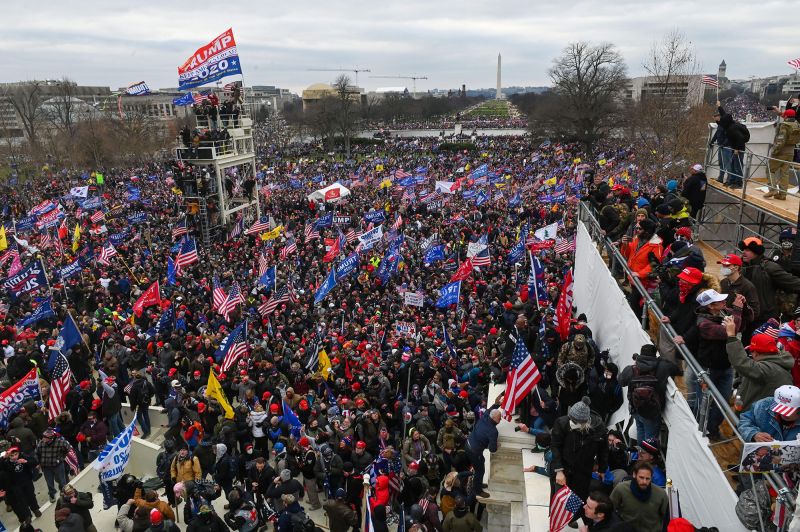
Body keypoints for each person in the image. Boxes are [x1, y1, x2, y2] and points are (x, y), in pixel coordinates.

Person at [692, 289, 744, 438]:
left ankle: (712, 429)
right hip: (708, 369)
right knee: (703, 402)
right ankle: (699, 430)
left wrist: (740, 306)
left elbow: (741, 320)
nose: (724, 302)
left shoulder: (721, 312)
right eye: (720, 301)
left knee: (724, 400)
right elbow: (730, 331)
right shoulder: (704, 324)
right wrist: (738, 310)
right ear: (711, 306)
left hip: (725, 367)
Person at [724, 316, 793, 411]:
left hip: (759, 417)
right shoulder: (778, 361)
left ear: (756, 353)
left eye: (751, 351)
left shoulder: (768, 369)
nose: (750, 355)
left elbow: (741, 362)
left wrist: (731, 336)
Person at [550, 397, 608, 503]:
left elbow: (603, 449)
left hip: (583, 471)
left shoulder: (599, 428)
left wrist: (602, 469)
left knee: (577, 501)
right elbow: (555, 446)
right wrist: (559, 470)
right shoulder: (562, 423)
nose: (573, 424)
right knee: (559, 502)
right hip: (564, 467)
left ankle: (574, 519)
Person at [618, 345, 680, 443]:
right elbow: (678, 370)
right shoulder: (663, 366)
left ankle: (641, 455)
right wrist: (662, 361)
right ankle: (647, 456)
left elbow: (621, 381)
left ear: (641, 353)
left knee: (640, 434)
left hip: (636, 408)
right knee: (650, 444)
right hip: (652, 411)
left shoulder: (632, 368)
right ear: (655, 354)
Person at [740, 237, 800, 326]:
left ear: (757, 251)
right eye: (743, 249)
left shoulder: (769, 267)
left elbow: (793, 282)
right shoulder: (740, 267)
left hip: (766, 319)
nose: (744, 252)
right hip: (747, 317)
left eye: (748, 250)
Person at [610, 462, 668, 532]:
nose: (644, 482)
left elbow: (667, 517)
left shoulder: (660, 494)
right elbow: (610, 509)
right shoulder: (621, 489)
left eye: (647, 479)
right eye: (641, 477)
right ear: (634, 475)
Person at [717, 253, 759, 334]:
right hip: (722, 324)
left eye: (726, 266)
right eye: (722, 265)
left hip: (738, 329)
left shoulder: (748, 286)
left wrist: (740, 310)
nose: (723, 268)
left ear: (736, 268)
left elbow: (755, 312)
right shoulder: (723, 282)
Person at [0, 445, 42, 524]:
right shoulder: (6, 462)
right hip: (15, 485)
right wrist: (4, 458)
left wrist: (26, 462)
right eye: (11, 455)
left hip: (27, 481)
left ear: (18, 453)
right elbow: (1, 467)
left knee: (31, 496)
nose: (14, 457)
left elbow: (34, 462)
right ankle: (27, 516)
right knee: (21, 500)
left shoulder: (23, 456)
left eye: (16, 454)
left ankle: (35, 509)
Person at [466, 407, 501, 498]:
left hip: (468, 443)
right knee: (480, 471)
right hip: (474, 451)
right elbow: (492, 450)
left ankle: (478, 483)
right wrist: (497, 445)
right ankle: (477, 490)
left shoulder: (485, 416)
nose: (500, 419)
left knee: (481, 463)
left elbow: (490, 409)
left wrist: (498, 403)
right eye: (499, 418)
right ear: (493, 418)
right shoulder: (493, 431)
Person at [765, 109, 800, 200]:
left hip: (781, 152)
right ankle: (783, 194)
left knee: (770, 169)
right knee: (785, 173)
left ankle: (772, 189)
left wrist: (774, 151)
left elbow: (781, 140)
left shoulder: (785, 125)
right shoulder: (797, 125)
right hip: (791, 152)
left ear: (786, 116)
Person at [35, 427, 71, 503]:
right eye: (43, 436)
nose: (43, 438)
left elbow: (68, 448)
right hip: (46, 467)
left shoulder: (60, 442)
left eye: (45, 437)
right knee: (49, 482)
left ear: (51, 438)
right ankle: (52, 494)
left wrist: (62, 457)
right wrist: (39, 463)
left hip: (58, 465)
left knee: (62, 481)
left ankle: (64, 492)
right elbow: (37, 453)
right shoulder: (41, 443)